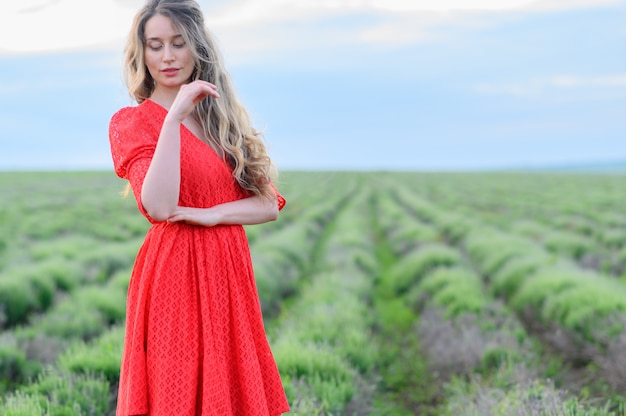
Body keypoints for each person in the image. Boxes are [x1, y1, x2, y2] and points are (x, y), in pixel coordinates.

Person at [107, 0, 290, 414]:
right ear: (142, 54)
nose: (168, 56)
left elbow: (267, 205)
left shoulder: (220, 120)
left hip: (228, 270)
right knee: (177, 392)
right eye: (155, 46)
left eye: (178, 43)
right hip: (176, 271)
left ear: (197, 48)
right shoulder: (132, 123)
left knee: (229, 392)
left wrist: (213, 214)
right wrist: (172, 120)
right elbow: (158, 205)